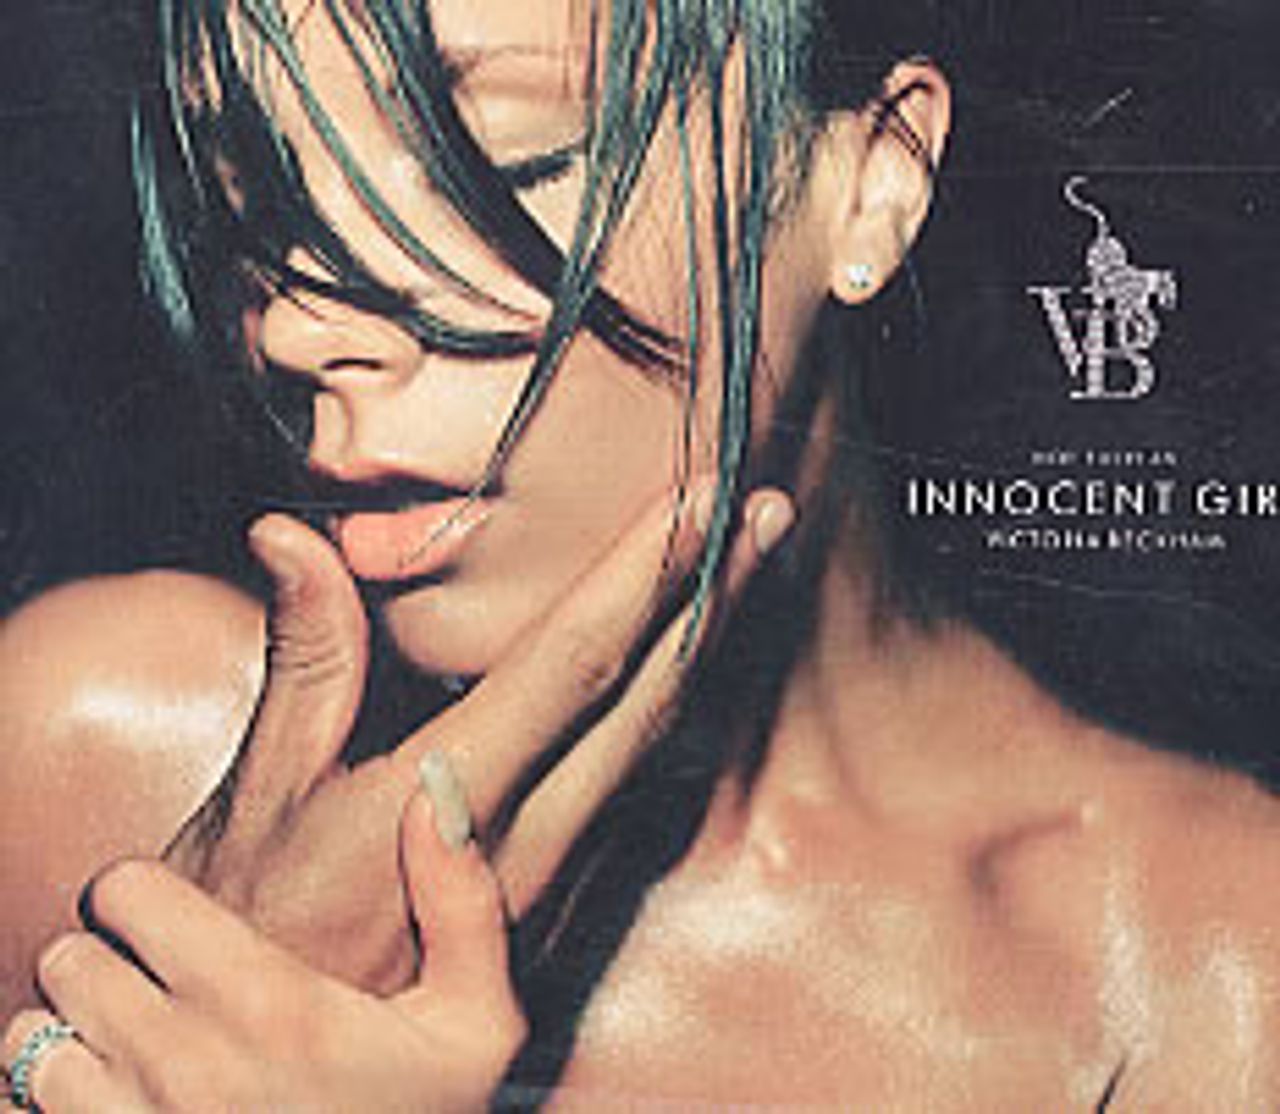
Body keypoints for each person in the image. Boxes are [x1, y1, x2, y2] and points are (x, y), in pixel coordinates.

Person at [4, 0, 1280, 1108]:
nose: (295, 325)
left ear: (870, 181)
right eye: (259, 191)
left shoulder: (1206, 971)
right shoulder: (108, 755)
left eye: (498, 159)